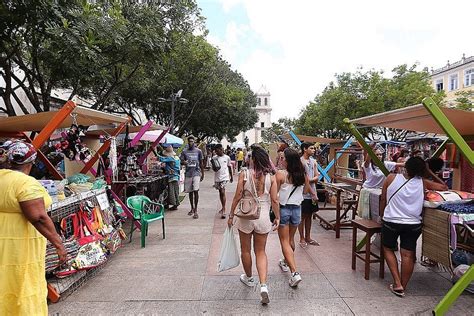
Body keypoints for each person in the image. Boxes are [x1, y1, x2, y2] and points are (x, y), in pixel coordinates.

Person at [0, 141, 66, 316]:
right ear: (31, 162)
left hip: (3, 242)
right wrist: (58, 243)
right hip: (21, 246)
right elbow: (38, 217)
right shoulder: (26, 184)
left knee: (4, 283)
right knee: (23, 285)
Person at [380, 156, 447, 297]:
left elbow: (383, 199)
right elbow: (444, 187)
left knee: (388, 249)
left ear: (406, 167)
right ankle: (402, 286)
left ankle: (397, 283)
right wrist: (430, 172)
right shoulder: (423, 182)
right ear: (423, 170)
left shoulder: (391, 178)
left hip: (391, 221)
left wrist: (381, 216)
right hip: (413, 224)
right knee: (408, 255)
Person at [228, 145, 280, 304]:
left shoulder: (244, 174)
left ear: (253, 159)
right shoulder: (271, 177)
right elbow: (275, 200)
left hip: (246, 215)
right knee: (261, 252)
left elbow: (237, 196)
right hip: (263, 216)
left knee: (245, 249)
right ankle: (263, 285)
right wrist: (277, 217)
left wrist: (231, 215)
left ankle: (249, 277)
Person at [276, 148, 318, 287]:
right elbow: (306, 190)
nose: (281, 160)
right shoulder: (302, 174)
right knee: (290, 239)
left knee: (284, 241)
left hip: (284, 209)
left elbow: (274, 195)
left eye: (283, 158)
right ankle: (285, 262)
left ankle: (294, 272)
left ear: (288, 160)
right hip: (297, 209)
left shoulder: (281, 175)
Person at [357, 145, 405, 219]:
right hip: (368, 191)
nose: (379, 156)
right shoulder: (368, 165)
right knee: (369, 216)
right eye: (376, 155)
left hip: (379, 191)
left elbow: (400, 165)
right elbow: (367, 161)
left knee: (378, 212)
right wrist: (371, 149)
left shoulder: (385, 164)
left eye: (380, 155)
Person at [298, 142, 320, 247]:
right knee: (302, 216)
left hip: (313, 192)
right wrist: (308, 181)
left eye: (314, 148)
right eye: (311, 148)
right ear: (305, 149)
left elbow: (317, 177)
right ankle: (301, 238)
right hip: (303, 194)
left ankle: (308, 237)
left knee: (310, 215)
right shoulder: (300, 161)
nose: (314, 150)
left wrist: (309, 180)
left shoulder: (313, 161)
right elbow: (302, 179)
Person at [180, 136, 204, 219]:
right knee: (190, 192)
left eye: (192, 141)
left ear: (194, 142)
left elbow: (201, 162)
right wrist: (184, 162)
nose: (191, 143)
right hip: (188, 173)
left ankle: (196, 210)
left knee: (196, 190)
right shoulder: (184, 151)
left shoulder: (198, 151)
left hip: (196, 173)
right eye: (189, 141)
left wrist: (202, 173)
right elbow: (181, 161)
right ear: (187, 142)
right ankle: (192, 208)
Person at [212, 144, 233, 219]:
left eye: (218, 151)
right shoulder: (214, 158)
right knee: (220, 192)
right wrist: (215, 168)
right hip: (217, 178)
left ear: (221, 149)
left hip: (225, 177)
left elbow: (229, 167)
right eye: (216, 151)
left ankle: (224, 210)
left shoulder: (227, 157)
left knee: (222, 191)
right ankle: (222, 206)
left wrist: (231, 176)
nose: (217, 153)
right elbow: (213, 168)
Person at [158, 145, 181, 210]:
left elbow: (162, 159)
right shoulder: (176, 158)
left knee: (171, 191)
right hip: (176, 176)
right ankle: (176, 203)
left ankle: (174, 204)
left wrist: (156, 155)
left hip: (172, 176)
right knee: (175, 191)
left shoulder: (171, 158)